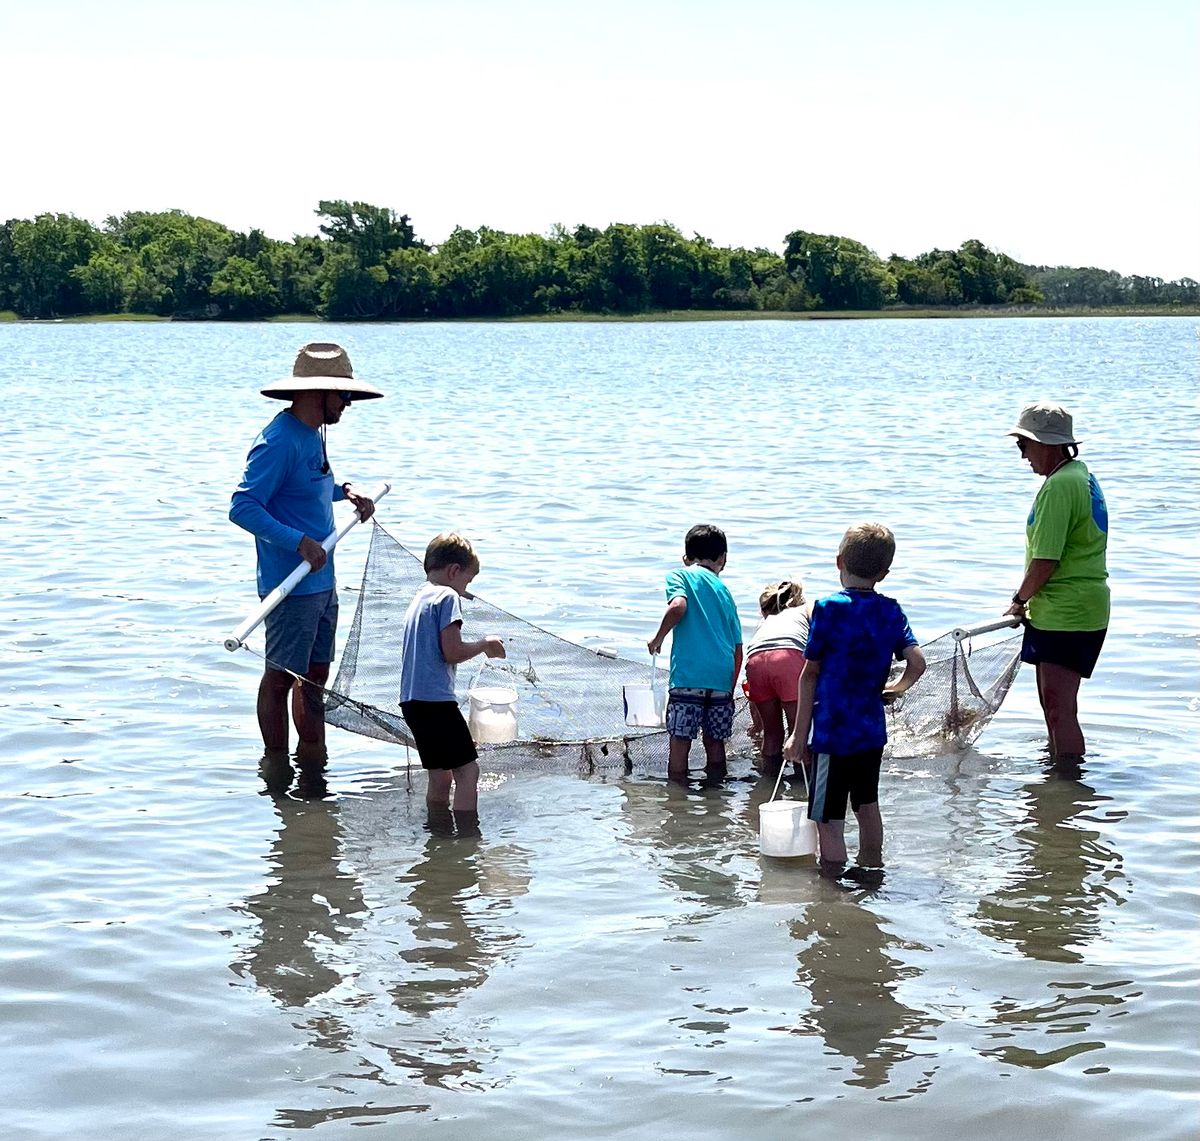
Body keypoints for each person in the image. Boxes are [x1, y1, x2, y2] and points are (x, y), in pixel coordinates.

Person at [230, 342, 382, 753]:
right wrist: (297, 542)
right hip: (289, 584)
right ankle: (276, 765)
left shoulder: (313, 435)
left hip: (322, 582)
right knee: (280, 677)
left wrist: (346, 491)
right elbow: (242, 507)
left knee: (314, 677)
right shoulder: (279, 441)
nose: (348, 404)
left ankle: (313, 759)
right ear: (318, 393)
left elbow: (310, 486)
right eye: (344, 395)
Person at [783, 522, 926, 875]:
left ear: (839, 561)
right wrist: (894, 689)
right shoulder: (891, 610)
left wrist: (798, 736)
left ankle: (831, 883)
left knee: (828, 816)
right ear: (884, 572)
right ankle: (871, 870)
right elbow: (917, 663)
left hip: (832, 734)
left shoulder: (828, 609)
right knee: (867, 805)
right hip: (870, 732)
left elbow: (810, 673)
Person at [1003, 401, 1109, 764]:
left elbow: (1046, 560)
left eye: (1024, 446)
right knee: (1056, 708)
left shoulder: (1060, 487)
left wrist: (1018, 599)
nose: (1023, 457)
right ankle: (1057, 788)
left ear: (1046, 444)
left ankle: (1067, 789)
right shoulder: (1080, 475)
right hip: (1078, 608)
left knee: (1059, 710)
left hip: (1066, 611)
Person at [400, 533, 506, 813]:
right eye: (467, 582)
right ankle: (468, 842)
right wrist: (485, 645)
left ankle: (439, 833)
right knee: (468, 772)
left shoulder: (419, 597)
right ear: (454, 571)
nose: (464, 589)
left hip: (412, 703)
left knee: (441, 775)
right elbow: (452, 651)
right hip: (436, 702)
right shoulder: (447, 596)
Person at [647, 524, 744, 783]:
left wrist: (658, 637)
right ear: (722, 559)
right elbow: (737, 649)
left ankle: (677, 800)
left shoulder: (680, 575)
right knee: (715, 744)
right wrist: (729, 689)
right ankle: (717, 796)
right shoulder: (726, 592)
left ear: (686, 557)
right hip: (721, 680)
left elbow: (678, 606)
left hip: (689, 677)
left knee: (680, 742)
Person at [744, 579, 811, 781]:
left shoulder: (767, 623)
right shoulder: (804, 610)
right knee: (798, 731)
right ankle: (803, 784)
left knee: (772, 733)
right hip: (787, 657)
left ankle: (768, 783)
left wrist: (756, 726)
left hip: (755, 660)